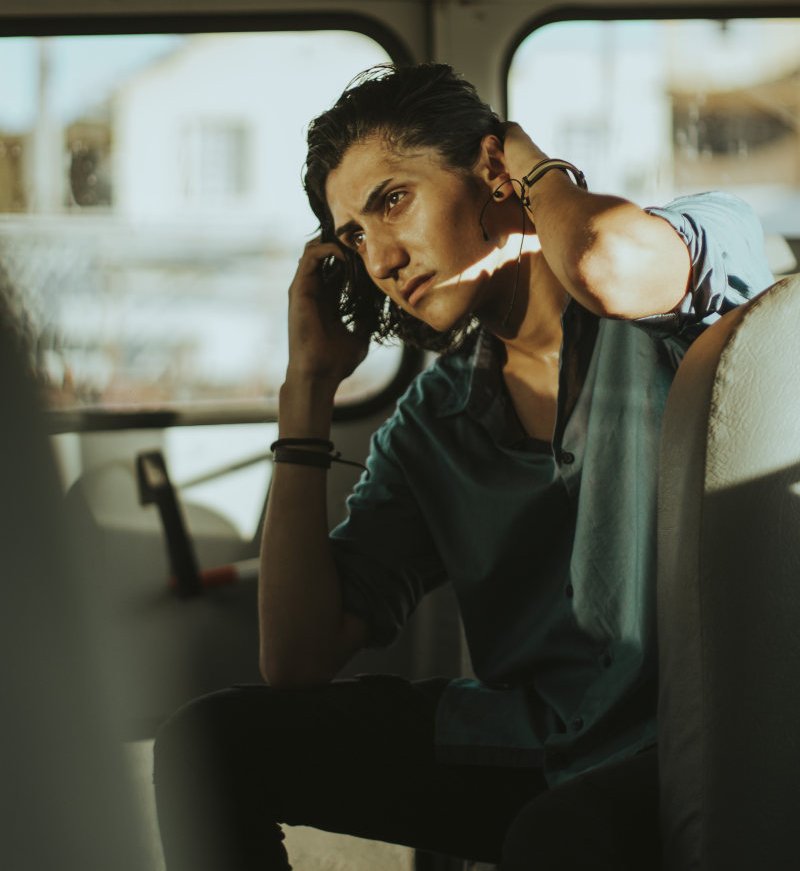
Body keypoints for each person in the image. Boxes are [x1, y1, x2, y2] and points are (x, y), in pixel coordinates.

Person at [154, 62, 773, 870]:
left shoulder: (677, 250)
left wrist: (527, 159)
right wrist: (306, 388)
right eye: (354, 238)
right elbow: (297, 657)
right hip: (539, 739)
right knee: (207, 744)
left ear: (491, 171)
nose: (379, 259)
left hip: (716, 738)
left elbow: (600, 264)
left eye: (392, 201)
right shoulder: (432, 424)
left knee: (559, 837)